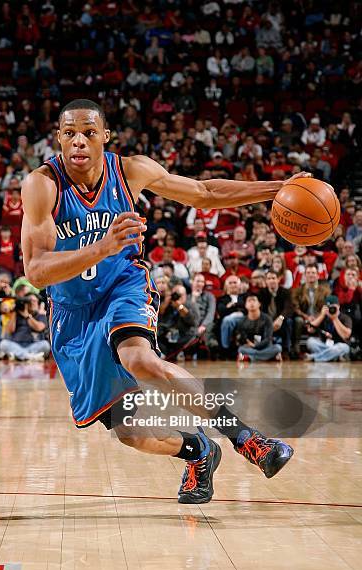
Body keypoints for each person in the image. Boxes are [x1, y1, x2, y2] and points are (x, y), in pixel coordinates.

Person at [21, 99, 301, 504]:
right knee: (131, 434)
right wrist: (103, 246)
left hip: (122, 286)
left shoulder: (131, 169)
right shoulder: (41, 185)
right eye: (69, 133)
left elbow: (204, 193)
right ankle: (199, 451)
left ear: (105, 136)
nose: (78, 141)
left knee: (140, 359)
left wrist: (280, 188)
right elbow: (36, 272)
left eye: (88, 132)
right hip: (73, 314)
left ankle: (246, 438)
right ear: (59, 138)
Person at [292, 264, 330, 356]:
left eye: (313, 272)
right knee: (298, 320)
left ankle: (324, 344)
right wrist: (307, 318)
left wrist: (317, 318)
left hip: (320, 318)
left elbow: (326, 307)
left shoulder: (325, 291)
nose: (310, 275)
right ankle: (296, 346)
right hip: (304, 318)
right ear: (304, 275)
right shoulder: (298, 290)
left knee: (327, 318)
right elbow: (295, 307)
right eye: (308, 273)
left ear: (318, 275)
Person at [0, 293, 50, 361]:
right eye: (30, 301)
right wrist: (14, 313)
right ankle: (29, 356)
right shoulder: (16, 314)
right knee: (3, 344)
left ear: (38, 303)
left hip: (33, 345)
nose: (32, 303)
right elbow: (9, 331)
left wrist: (27, 316)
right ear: (25, 303)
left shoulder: (40, 315)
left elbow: (39, 328)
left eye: (34, 301)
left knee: (45, 345)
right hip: (16, 345)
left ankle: (19, 355)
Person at [236, 295, 283, 363]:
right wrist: (248, 343)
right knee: (241, 349)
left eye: (254, 300)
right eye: (249, 301)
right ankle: (267, 357)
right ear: (245, 305)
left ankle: (251, 357)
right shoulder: (242, 321)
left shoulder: (267, 319)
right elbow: (243, 338)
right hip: (250, 348)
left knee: (278, 348)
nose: (252, 303)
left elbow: (268, 338)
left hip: (265, 347)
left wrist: (256, 346)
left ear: (259, 304)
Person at [305, 296, 352, 362]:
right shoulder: (323, 316)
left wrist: (335, 319)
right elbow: (310, 329)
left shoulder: (345, 318)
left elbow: (346, 336)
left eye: (333, 307)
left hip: (339, 345)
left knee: (343, 347)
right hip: (324, 345)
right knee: (310, 341)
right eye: (329, 307)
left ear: (338, 306)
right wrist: (321, 316)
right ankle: (333, 356)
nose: (331, 309)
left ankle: (315, 357)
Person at [259, 271, 294, 355]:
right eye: (269, 278)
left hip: (281, 321)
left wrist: (280, 318)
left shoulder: (286, 292)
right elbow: (261, 310)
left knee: (289, 321)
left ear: (278, 279)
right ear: (266, 281)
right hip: (267, 320)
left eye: (273, 278)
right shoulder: (261, 293)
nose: (271, 281)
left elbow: (289, 308)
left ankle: (287, 350)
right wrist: (269, 322)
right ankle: (262, 347)